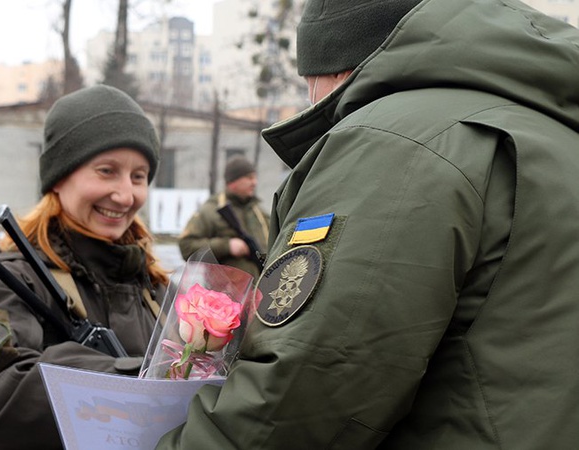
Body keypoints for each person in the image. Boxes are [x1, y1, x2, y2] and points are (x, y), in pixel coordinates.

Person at [157, 0, 579, 448]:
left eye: (308, 82)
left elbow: (303, 395)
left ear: (339, 67)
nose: (310, 99)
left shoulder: (394, 141)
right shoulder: (554, 135)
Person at [0, 84, 170, 450]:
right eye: (106, 171)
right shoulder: (15, 277)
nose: (125, 195)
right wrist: (137, 384)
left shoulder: (153, 281)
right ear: (59, 177)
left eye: (138, 176)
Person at [177, 155, 270, 280]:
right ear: (232, 182)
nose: (254, 183)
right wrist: (227, 246)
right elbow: (186, 246)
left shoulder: (260, 213)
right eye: (249, 178)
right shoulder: (211, 210)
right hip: (225, 290)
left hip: (261, 288)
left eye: (255, 178)